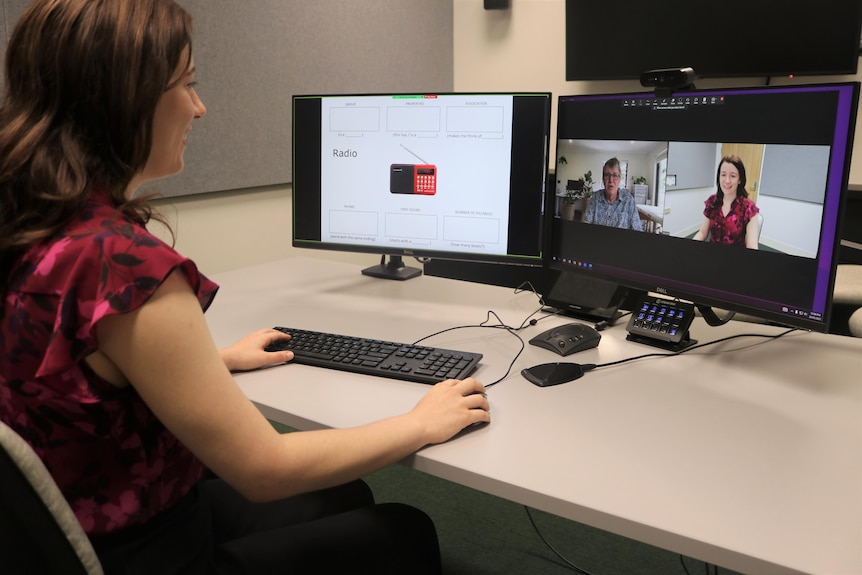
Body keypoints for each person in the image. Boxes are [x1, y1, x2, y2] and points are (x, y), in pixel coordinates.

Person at [0, 1, 490, 573]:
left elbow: (65, 364)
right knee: (402, 527)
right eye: (184, 85)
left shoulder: (34, 220)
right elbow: (266, 470)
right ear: (123, 100)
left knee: (343, 495)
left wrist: (210, 362)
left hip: (69, 516)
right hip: (144, 548)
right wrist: (419, 423)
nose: (199, 108)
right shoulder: (125, 267)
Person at [692, 154, 760, 248]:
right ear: (719, 177)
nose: (727, 181)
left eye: (732, 176)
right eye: (723, 175)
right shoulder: (712, 202)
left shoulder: (748, 208)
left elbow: (751, 245)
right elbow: (702, 232)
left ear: (740, 180)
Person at [582, 157, 644, 231]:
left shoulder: (629, 200)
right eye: (607, 175)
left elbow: (637, 230)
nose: (611, 180)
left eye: (615, 175)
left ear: (619, 179)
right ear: (603, 179)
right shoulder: (595, 198)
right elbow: (585, 226)